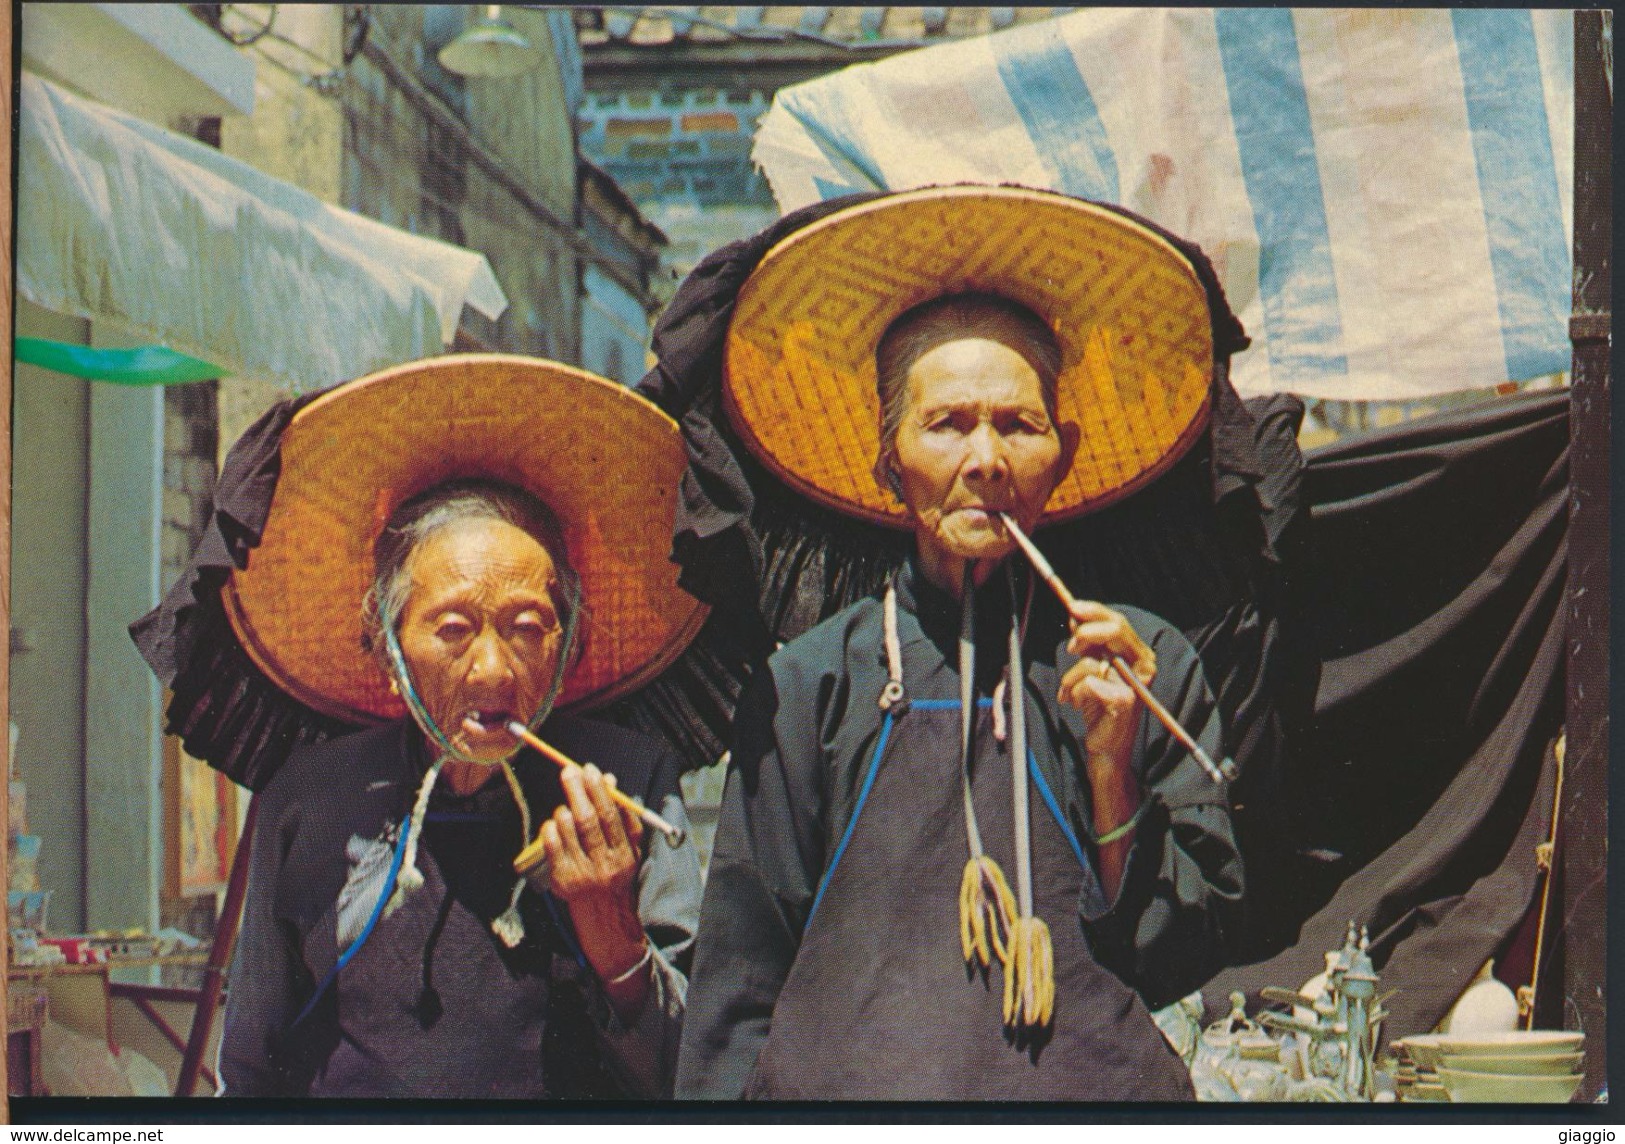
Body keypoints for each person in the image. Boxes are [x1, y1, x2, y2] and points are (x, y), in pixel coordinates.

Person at [675, 187, 1245, 1100]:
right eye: (946, 424)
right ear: (887, 460)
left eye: (1018, 425)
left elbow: (1179, 954)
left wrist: (1113, 768)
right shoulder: (809, 683)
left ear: (1061, 456)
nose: (985, 460)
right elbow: (736, 993)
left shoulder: (1142, 666)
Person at [137, 356, 707, 1098]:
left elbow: (696, 1071)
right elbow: (251, 1066)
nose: (494, 670)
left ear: (569, 643)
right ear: (385, 641)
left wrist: (613, 934)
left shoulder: (629, 788)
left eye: (528, 627)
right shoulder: (308, 800)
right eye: (453, 629)